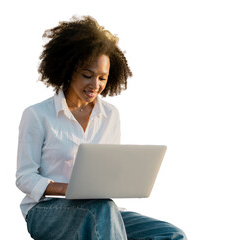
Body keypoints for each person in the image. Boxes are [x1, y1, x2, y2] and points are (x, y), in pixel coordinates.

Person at [16, 15, 187, 240]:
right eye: (87, 75)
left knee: (171, 234)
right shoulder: (37, 115)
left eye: (102, 78)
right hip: (47, 211)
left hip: (100, 208)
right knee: (101, 211)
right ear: (68, 70)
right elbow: (24, 177)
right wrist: (66, 188)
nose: (95, 85)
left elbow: (110, 170)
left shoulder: (110, 116)